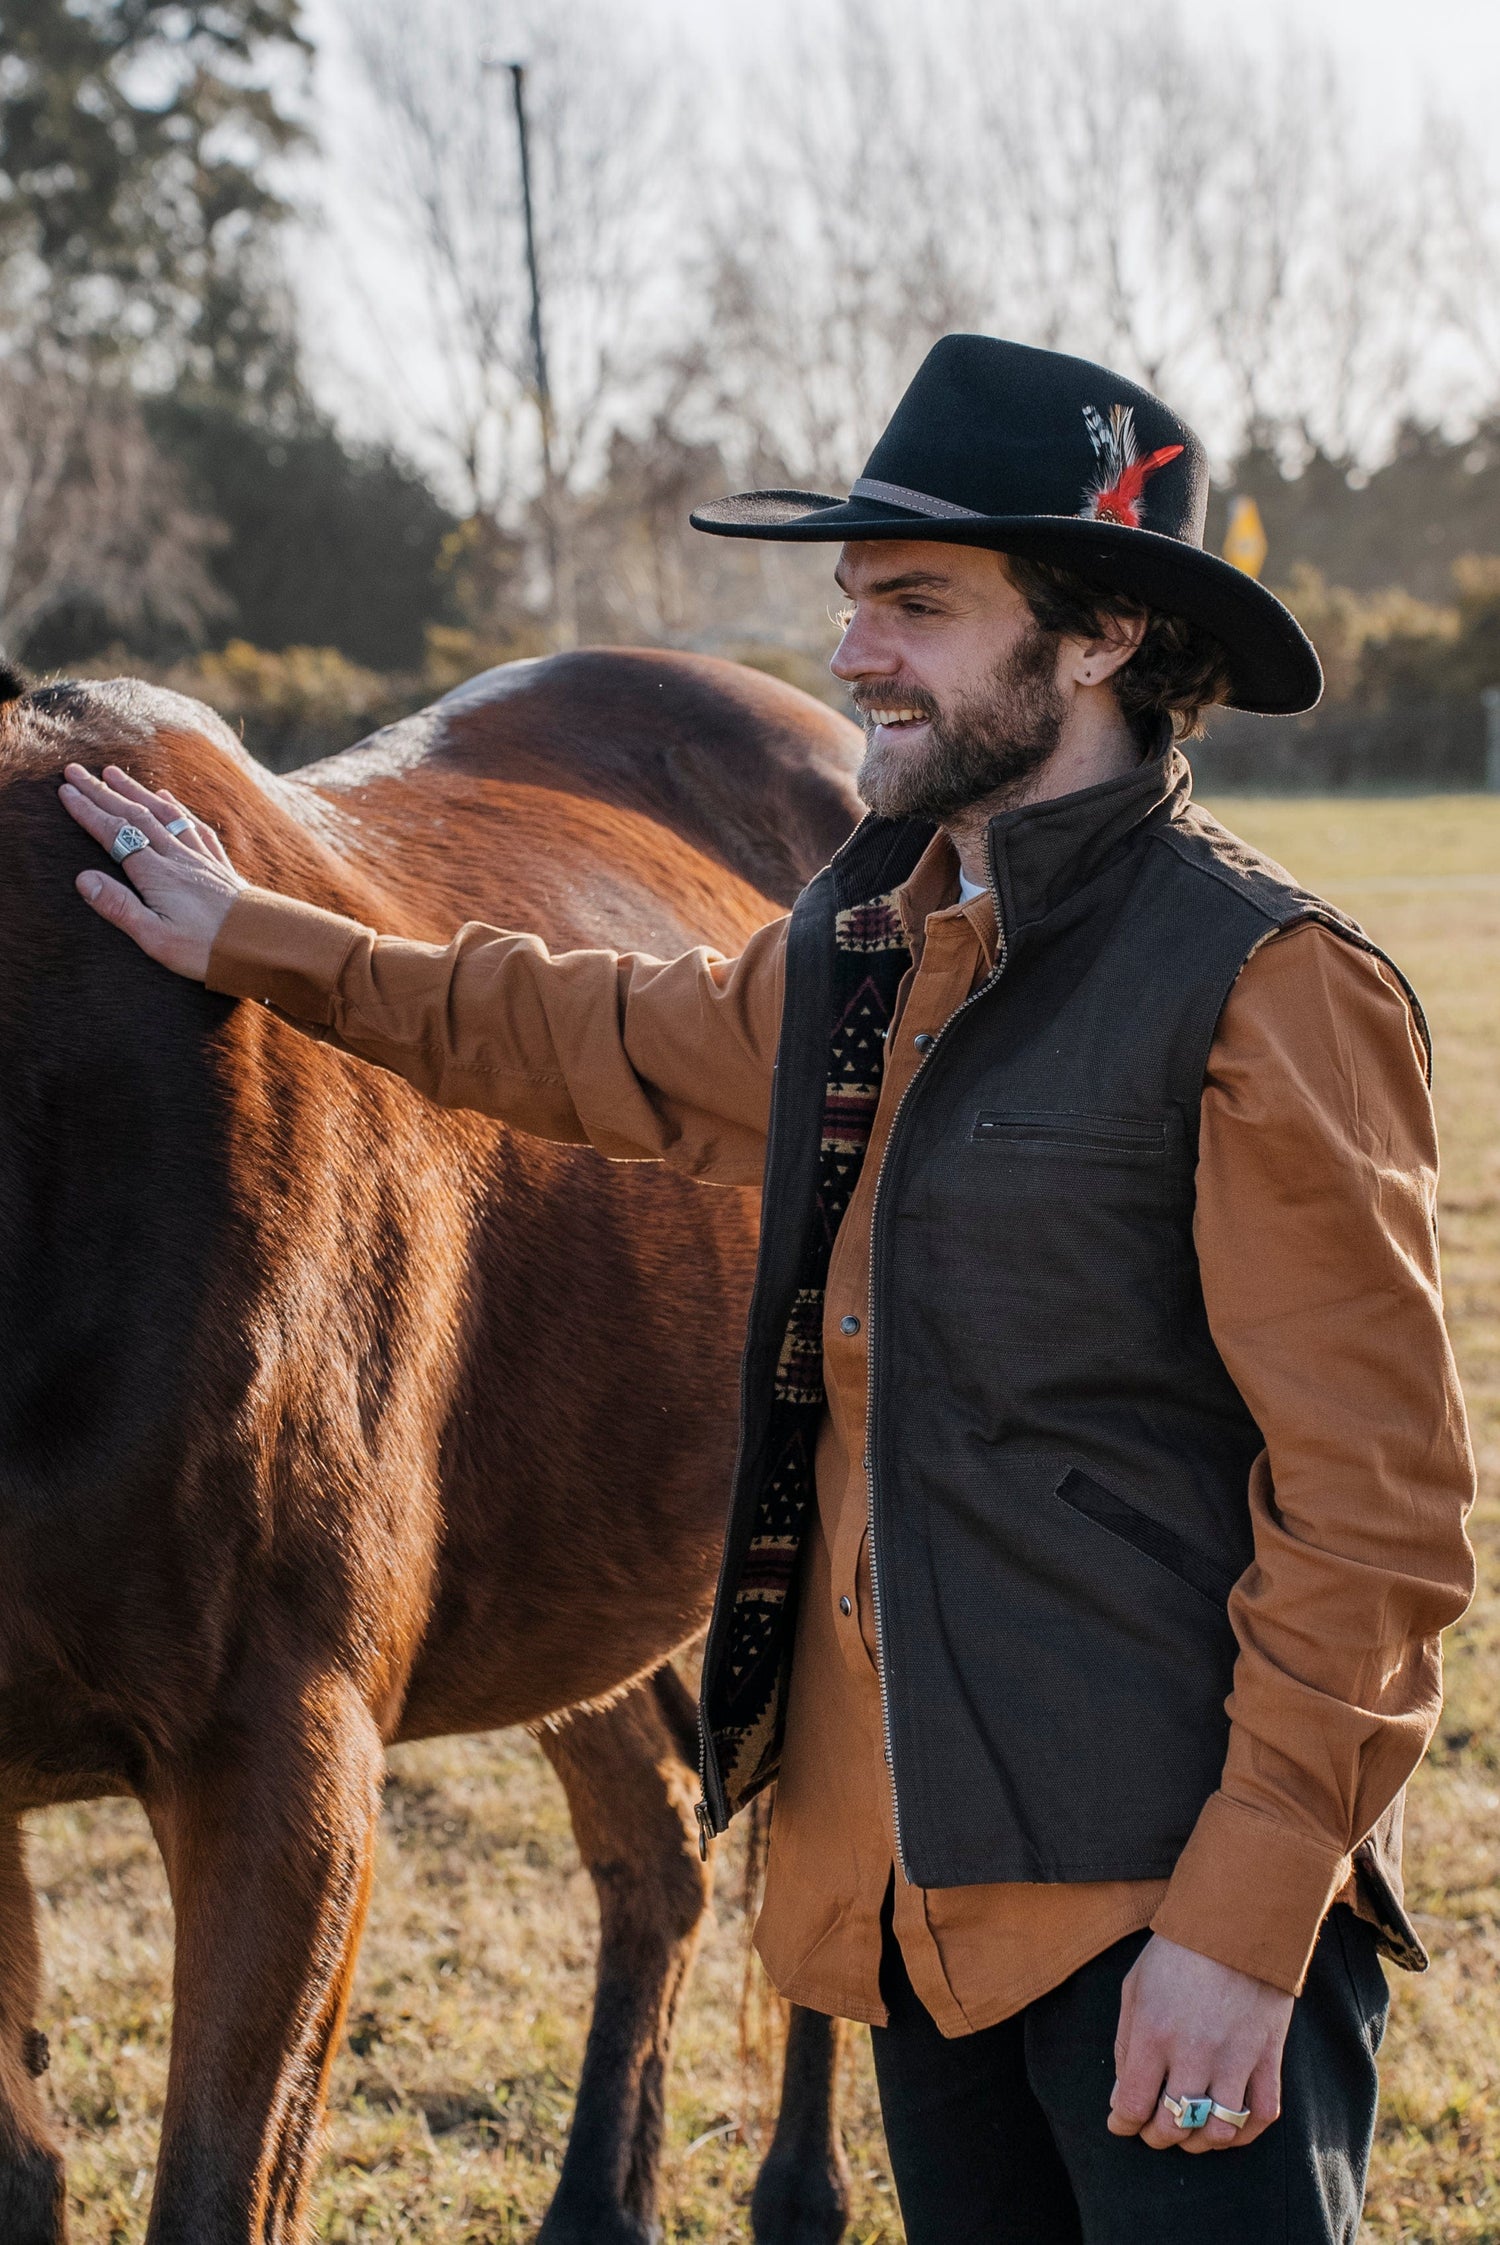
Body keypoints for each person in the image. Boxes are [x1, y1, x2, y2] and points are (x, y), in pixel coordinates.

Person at [59, 336, 1474, 2245]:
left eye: (915, 606)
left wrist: (1241, 1924)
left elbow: (1377, 1524)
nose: (852, 653)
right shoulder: (877, 954)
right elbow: (576, 1035)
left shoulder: (1269, 986)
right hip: (925, 1916)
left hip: (1171, 1924)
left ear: (1107, 632)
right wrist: (259, 935)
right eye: (849, 605)